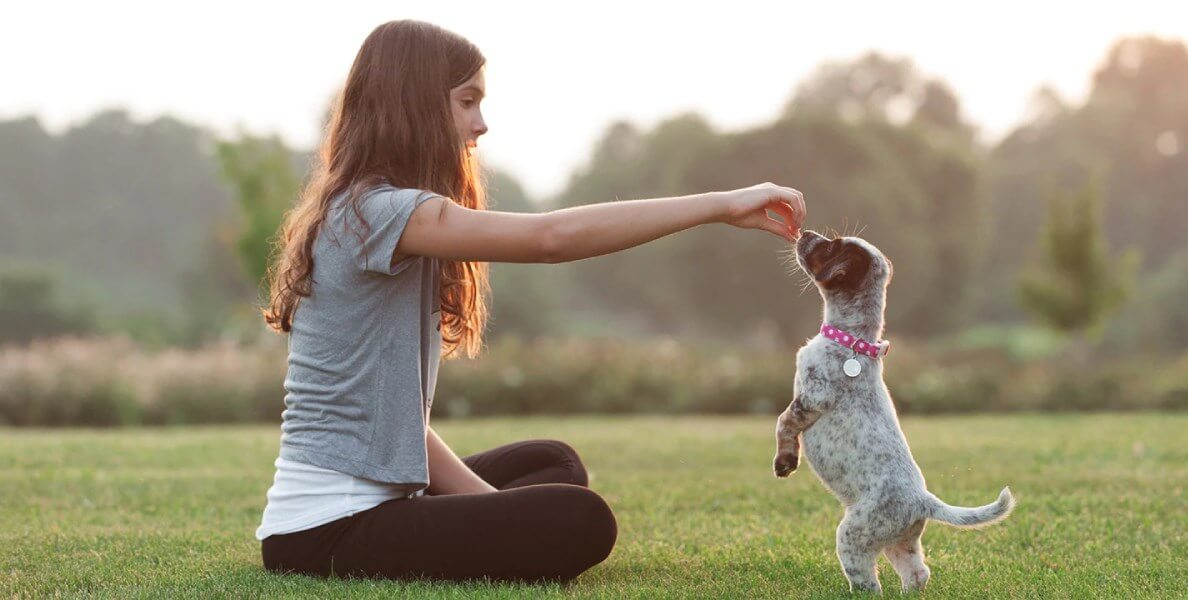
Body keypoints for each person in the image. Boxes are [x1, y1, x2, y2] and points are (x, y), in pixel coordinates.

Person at [254, 19, 806, 584]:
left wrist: (489, 509)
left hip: (374, 502)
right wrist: (721, 205)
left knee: (554, 464)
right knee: (579, 518)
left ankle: (500, 526)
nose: (481, 123)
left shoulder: (370, 208)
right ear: (416, 105)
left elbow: (402, 426)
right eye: (466, 102)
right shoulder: (376, 211)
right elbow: (550, 239)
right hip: (329, 527)